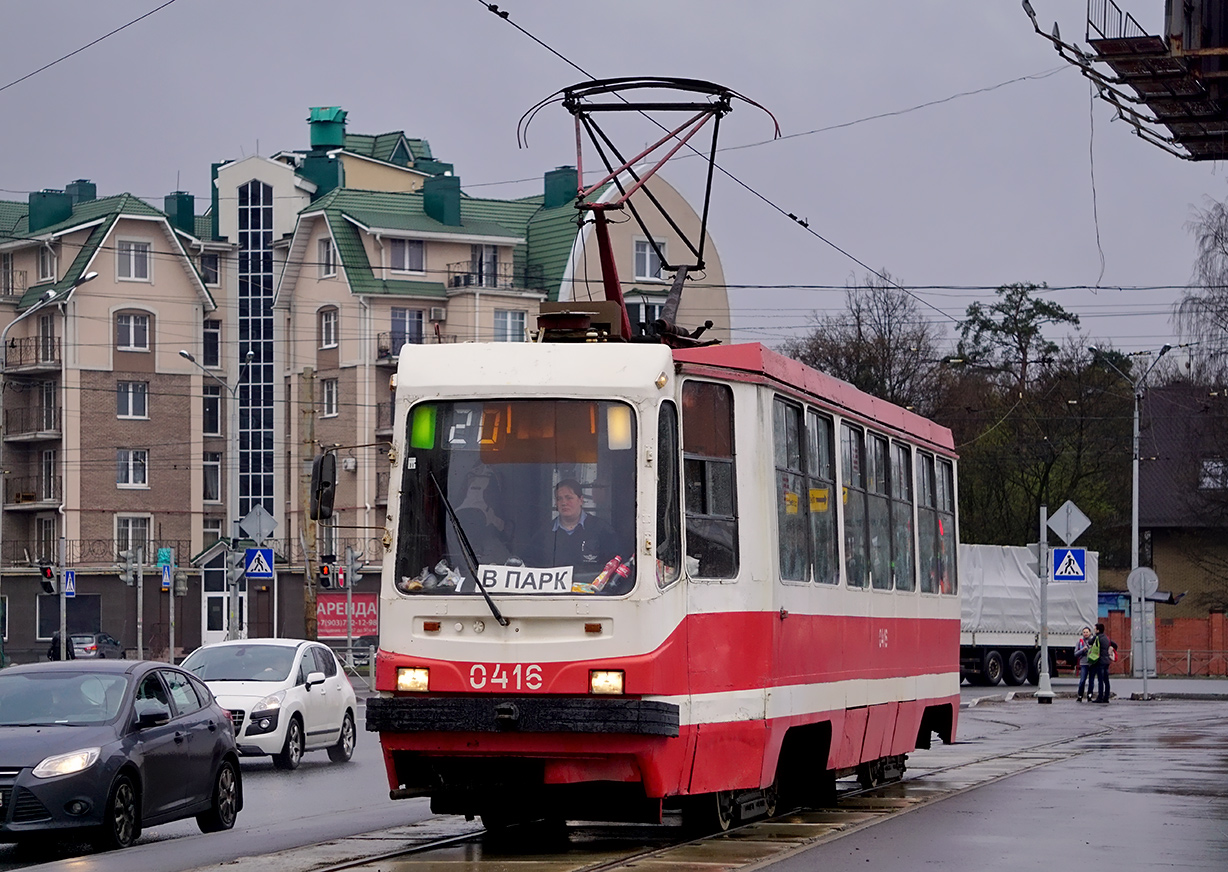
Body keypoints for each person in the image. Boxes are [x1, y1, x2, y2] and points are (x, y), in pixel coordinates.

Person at [531, 479, 626, 589]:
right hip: (552, 597)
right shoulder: (544, 534)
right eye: (559, 499)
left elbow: (618, 563)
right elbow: (529, 565)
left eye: (569, 497)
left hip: (593, 599)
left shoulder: (602, 530)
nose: (564, 502)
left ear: (581, 500)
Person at [1091, 622, 1118, 703]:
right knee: (1106, 680)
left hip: (1100, 661)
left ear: (1098, 630)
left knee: (1100, 680)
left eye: (1095, 629)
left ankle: (1100, 697)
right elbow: (1115, 645)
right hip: (1106, 661)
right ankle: (1106, 697)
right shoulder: (1107, 638)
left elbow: (1089, 642)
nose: (1094, 630)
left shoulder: (1097, 638)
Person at [1073, 626, 1094, 702]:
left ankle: (1090, 695)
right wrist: (1083, 650)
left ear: (1090, 633)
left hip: (1092, 663)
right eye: (1084, 632)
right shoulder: (1080, 642)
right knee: (1082, 680)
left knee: (1091, 680)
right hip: (1083, 663)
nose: (1085, 634)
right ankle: (1080, 695)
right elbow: (1076, 654)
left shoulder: (1093, 641)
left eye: (1087, 632)